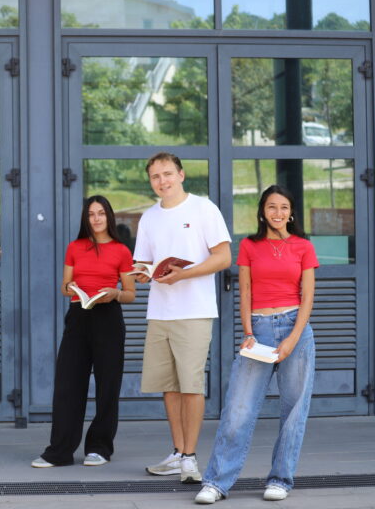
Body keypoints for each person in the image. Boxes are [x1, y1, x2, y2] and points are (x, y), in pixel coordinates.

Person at [195, 185, 318, 504]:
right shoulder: (249, 246)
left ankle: (280, 479)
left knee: (294, 410)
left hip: (296, 328)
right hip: (259, 330)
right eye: (271, 207)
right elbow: (245, 292)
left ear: (291, 213)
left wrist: (292, 339)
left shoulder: (304, 246)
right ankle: (216, 482)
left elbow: (307, 299)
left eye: (284, 207)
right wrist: (248, 331)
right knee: (238, 409)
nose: (277, 213)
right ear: (262, 211)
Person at [136, 152, 231, 483]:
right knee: (169, 387)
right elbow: (143, 262)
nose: (162, 181)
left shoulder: (204, 209)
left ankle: (190, 457)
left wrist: (184, 274)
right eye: (155, 177)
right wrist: (143, 273)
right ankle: (177, 453)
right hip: (159, 312)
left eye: (167, 174)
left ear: (181, 174)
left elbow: (223, 257)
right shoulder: (148, 218)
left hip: (195, 311)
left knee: (191, 386)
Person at [31, 195, 136, 468]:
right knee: (68, 384)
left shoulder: (122, 251)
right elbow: (65, 286)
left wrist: (114, 293)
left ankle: (99, 448)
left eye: (101, 213)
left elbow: (130, 294)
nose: (96, 218)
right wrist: (72, 289)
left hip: (109, 318)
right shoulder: (75, 247)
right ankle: (59, 451)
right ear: (85, 219)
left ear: (109, 217)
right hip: (79, 315)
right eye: (91, 214)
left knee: (107, 386)